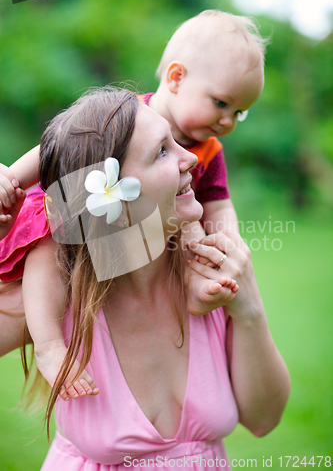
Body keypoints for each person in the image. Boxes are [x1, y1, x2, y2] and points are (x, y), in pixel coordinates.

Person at [6, 86, 289, 469]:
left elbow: (264, 420)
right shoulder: (58, 298)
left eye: (176, 141)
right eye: (161, 152)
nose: (191, 157)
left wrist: (249, 305)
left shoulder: (212, 276)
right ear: (113, 201)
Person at [0, 9, 266, 397]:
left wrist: (226, 243)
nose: (227, 121)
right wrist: (10, 178)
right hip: (72, 209)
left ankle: (194, 286)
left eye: (239, 113)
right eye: (221, 103)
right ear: (176, 78)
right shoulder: (128, 114)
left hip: (141, 244)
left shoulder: (209, 150)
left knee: (190, 233)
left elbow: (218, 204)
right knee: (49, 249)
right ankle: (49, 345)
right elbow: (51, 151)